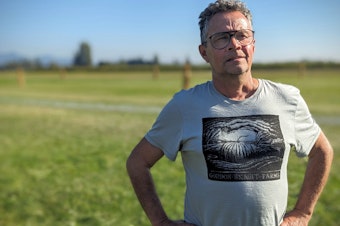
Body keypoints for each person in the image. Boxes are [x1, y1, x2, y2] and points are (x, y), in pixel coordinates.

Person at [126, 0, 333, 225]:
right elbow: (138, 162)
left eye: (241, 35)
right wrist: (161, 222)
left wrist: (303, 213)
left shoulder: (287, 99)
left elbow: (322, 151)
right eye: (221, 38)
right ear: (204, 52)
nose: (234, 44)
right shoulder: (184, 106)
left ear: (253, 43)